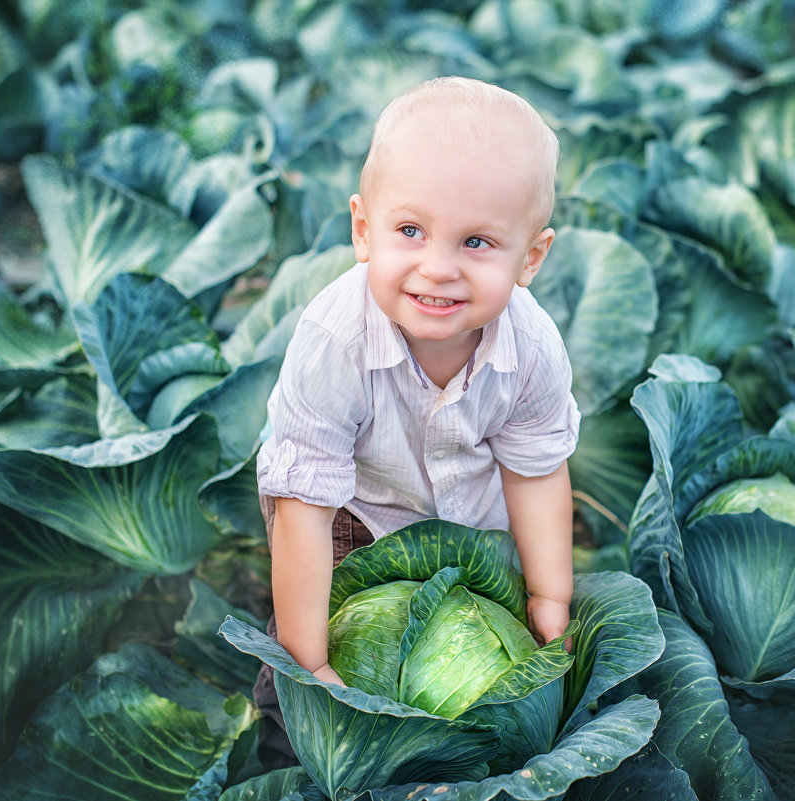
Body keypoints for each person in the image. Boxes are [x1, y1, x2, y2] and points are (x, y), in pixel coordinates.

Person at [252, 75, 580, 766]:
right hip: (349, 515)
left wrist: (548, 595)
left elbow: (538, 471)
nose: (438, 268)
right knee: (298, 671)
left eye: (478, 243)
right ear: (363, 231)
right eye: (410, 230)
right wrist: (311, 668)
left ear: (532, 258)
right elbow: (301, 509)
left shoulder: (533, 346)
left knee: (503, 685)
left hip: (476, 531)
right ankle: (285, 749)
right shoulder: (333, 341)